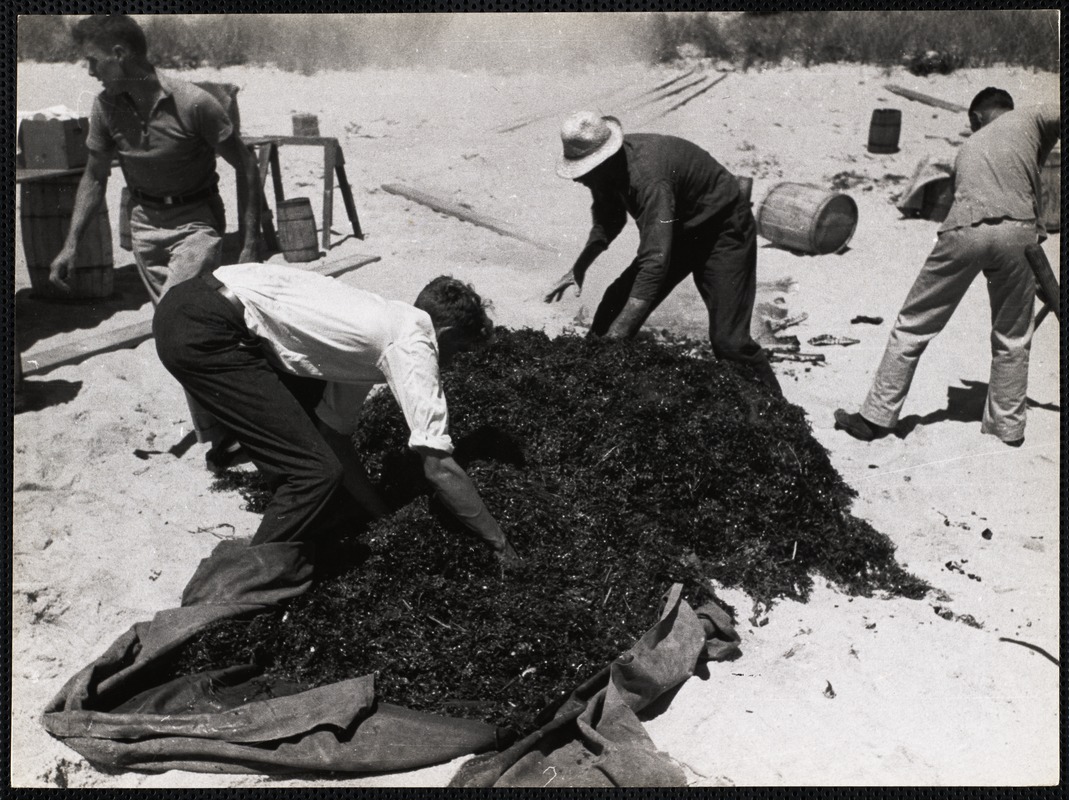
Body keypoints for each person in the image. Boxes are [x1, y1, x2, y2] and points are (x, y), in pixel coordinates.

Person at [153, 262, 523, 569]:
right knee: (312, 474)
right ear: (446, 331)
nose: (453, 364)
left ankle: (263, 481)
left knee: (315, 454)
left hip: (188, 304)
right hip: (207, 331)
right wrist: (501, 543)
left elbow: (334, 436)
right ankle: (243, 582)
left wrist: (382, 515)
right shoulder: (413, 343)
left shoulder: (375, 328)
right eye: (456, 351)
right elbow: (439, 468)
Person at [48, 14, 263, 463]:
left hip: (195, 226)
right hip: (146, 228)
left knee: (180, 327)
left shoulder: (193, 104)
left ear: (120, 55)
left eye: (92, 61)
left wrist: (248, 241)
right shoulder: (105, 107)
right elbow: (93, 177)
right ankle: (227, 428)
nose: (89, 71)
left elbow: (245, 165)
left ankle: (227, 435)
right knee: (190, 335)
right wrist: (70, 245)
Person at [834, 88, 1060, 446]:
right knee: (1013, 337)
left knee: (913, 324)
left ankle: (875, 417)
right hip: (1019, 234)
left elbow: (959, 206)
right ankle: (1007, 428)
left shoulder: (968, 148)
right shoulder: (1031, 118)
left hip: (964, 230)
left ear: (976, 118)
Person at [544, 111, 781, 396]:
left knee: (729, 342)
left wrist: (619, 335)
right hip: (681, 229)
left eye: (583, 171)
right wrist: (579, 267)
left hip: (722, 230)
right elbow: (609, 220)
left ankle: (779, 413)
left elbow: (655, 263)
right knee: (613, 304)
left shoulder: (649, 179)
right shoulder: (607, 173)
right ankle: (594, 386)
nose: (578, 180)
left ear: (603, 160)